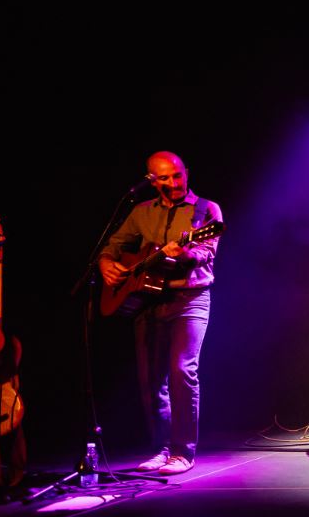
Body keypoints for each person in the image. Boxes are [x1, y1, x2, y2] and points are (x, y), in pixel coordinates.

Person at [98, 152, 221, 475]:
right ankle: (160, 449)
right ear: (152, 181)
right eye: (164, 178)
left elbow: (205, 253)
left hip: (190, 299)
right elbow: (113, 245)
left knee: (182, 370)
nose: (173, 182)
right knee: (151, 379)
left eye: (177, 175)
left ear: (186, 172)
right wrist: (106, 263)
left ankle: (182, 452)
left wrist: (183, 254)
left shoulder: (206, 210)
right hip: (148, 301)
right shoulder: (140, 211)